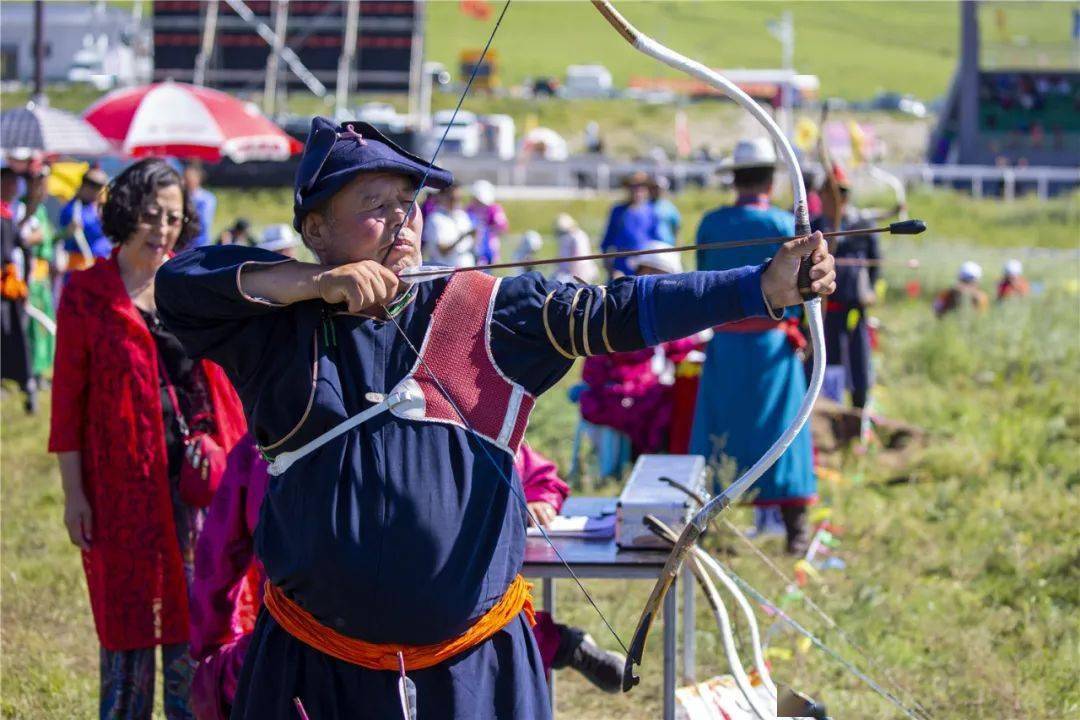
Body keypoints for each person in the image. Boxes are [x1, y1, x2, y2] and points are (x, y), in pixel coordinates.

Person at [154, 116, 835, 719]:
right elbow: (179, 287)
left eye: (409, 203)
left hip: (471, 672)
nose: (402, 220)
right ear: (316, 230)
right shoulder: (276, 334)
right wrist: (307, 284)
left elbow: (617, 312)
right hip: (317, 670)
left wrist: (763, 287)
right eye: (374, 204)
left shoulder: (485, 312)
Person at [188, 438, 622, 719]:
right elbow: (217, 557)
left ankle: (560, 642)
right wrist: (213, 653)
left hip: (445, 651)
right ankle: (562, 643)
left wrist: (541, 496)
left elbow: (534, 468)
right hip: (313, 654)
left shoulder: (441, 424)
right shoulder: (270, 445)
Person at [48, 158, 247, 720]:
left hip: (197, 489)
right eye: (151, 215)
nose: (162, 228)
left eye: (174, 217)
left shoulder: (189, 284)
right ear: (126, 213)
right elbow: (67, 405)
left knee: (196, 620)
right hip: (121, 491)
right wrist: (74, 495)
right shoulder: (88, 295)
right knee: (130, 628)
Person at [689, 137, 818, 555]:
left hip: (726, 343)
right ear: (768, 180)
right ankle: (796, 531)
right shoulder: (784, 227)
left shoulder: (711, 224)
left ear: (736, 179)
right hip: (771, 346)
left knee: (718, 433)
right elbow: (803, 290)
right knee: (785, 433)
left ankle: (703, 527)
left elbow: (701, 279)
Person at [579, 246, 702, 456]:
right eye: (652, 272)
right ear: (641, 272)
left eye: (663, 275)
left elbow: (680, 346)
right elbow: (597, 361)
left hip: (649, 386)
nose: (657, 280)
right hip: (618, 387)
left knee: (684, 399)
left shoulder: (666, 313)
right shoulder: (620, 305)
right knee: (656, 405)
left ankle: (658, 455)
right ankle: (643, 456)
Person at [812, 163, 880, 410]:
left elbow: (875, 265)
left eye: (840, 193)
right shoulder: (814, 228)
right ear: (820, 196)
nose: (834, 199)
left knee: (858, 362)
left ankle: (860, 415)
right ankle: (830, 414)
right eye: (828, 192)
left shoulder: (860, 225)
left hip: (853, 309)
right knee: (827, 361)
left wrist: (869, 289)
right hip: (824, 310)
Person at [16, 166, 57, 391]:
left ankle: (41, 371)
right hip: (29, 277)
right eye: (40, 182)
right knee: (31, 327)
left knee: (43, 328)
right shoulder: (23, 206)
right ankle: (29, 372)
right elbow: (17, 236)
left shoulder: (41, 209)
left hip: (43, 279)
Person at [1, 164, 35, 413]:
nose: (13, 187)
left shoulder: (7, 215)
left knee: (15, 336)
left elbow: (22, 245)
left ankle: (27, 385)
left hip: (7, 288)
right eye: (8, 182)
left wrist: (26, 278)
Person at [599, 170, 661, 277]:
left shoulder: (651, 211)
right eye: (634, 187)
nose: (637, 191)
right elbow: (607, 241)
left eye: (641, 187)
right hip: (621, 263)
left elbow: (657, 241)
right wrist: (611, 269)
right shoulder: (618, 211)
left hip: (644, 263)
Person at [58, 166, 110, 271]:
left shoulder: (98, 208)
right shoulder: (73, 209)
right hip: (81, 265)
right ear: (84, 185)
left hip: (102, 263)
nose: (96, 190)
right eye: (92, 185)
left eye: (100, 186)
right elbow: (65, 236)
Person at [422, 185, 475, 267]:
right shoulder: (435, 218)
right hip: (447, 271)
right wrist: (461, 238)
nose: (456, 202)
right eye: (453, 198)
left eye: (459, 199)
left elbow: (471, 243)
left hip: (467, 266)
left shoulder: (462, 215)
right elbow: (443, 251)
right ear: (441, 196)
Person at [467, 179, 509, 265]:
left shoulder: (494, 209)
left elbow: (503, 228)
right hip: (472, 249)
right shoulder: (469, 209)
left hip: (489, 249)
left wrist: (489, 231)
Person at [552, 213, 598, 284]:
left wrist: (573, 275)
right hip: (569, 272)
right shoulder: (570, 236)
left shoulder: (577, 237)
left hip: (577, 273)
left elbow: (577, 259)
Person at [184, 162, 217, 249]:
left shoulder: (207, 198)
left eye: (190, 178)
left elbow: (204, 223)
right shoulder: (181, 196)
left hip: (200, 244)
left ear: (198, 179)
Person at [650, 176, 682, 246]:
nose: (657, 191)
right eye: (654, 188)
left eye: (659, 189)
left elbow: (676, 229)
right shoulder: (643, 206)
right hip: (647, 247)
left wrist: (678, 246)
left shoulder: (670, 207)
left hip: (666, 245)